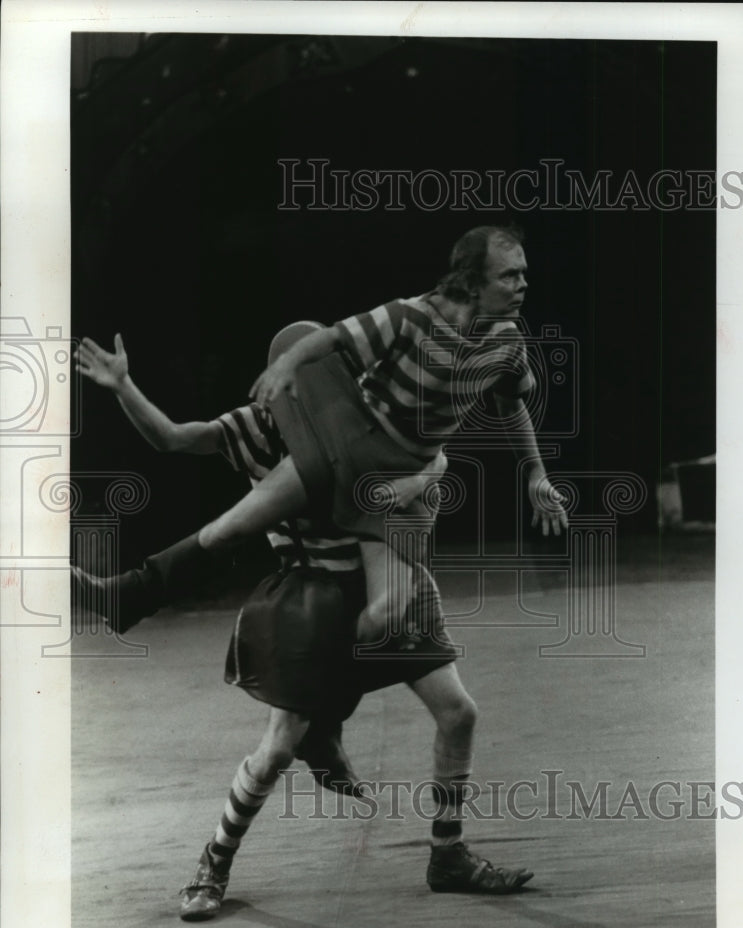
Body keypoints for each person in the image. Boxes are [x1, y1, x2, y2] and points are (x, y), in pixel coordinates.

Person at [71, 327, 535, 919]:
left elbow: (432, 458)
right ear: (278, 387)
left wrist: (414, 483)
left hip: (387, 574)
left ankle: (447, 853)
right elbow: (173, 439)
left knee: (458, 711)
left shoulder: (363, 418)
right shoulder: (254, 428)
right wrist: (123, 385)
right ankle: (214, 862)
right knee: (277, 748)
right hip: (314, 595)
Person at [73, 224, 568, 646]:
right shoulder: (408, 318)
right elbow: (330, 339)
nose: (524, 283)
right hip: (348, 465)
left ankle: (326, 680)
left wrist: (536, 475)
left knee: (385, 619)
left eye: (523, 272)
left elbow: (511, 404)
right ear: (471, 283)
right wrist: (285, 364)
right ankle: (127, 596)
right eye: (510, 274)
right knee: (226, 530)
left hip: (401, 492)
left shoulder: (508, 340)